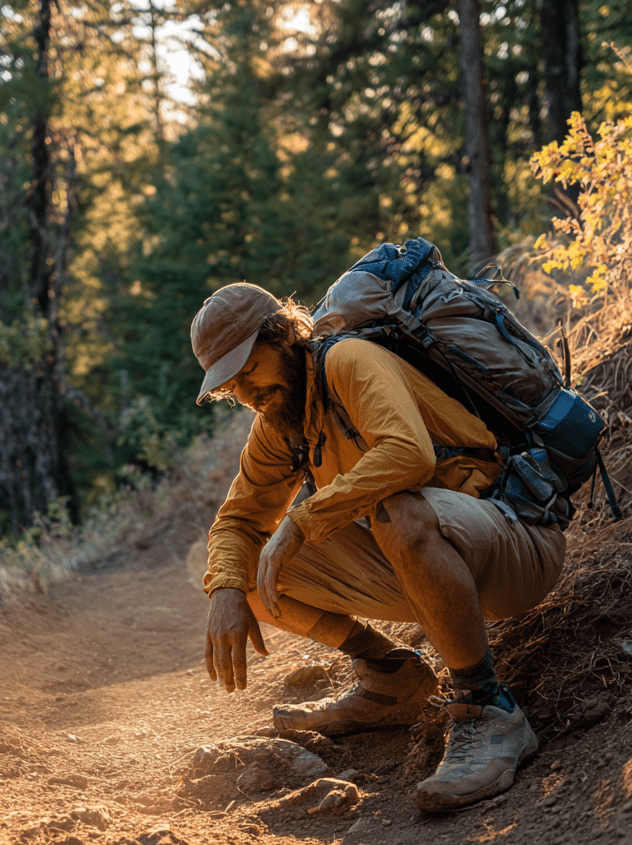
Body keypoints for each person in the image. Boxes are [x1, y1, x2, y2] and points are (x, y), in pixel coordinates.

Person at [192, 282, 566, 810]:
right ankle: (391, 678)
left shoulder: (348, 360)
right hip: (432, 563)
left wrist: (301, 520)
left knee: (396, 508)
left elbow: (408, 456)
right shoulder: (281, 421)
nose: (247, 393)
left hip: (516, 542)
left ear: (281, 335)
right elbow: (236, 519)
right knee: (244, 572)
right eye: (231, 387)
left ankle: (489, 711)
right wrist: (227, 588)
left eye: (249, 371)